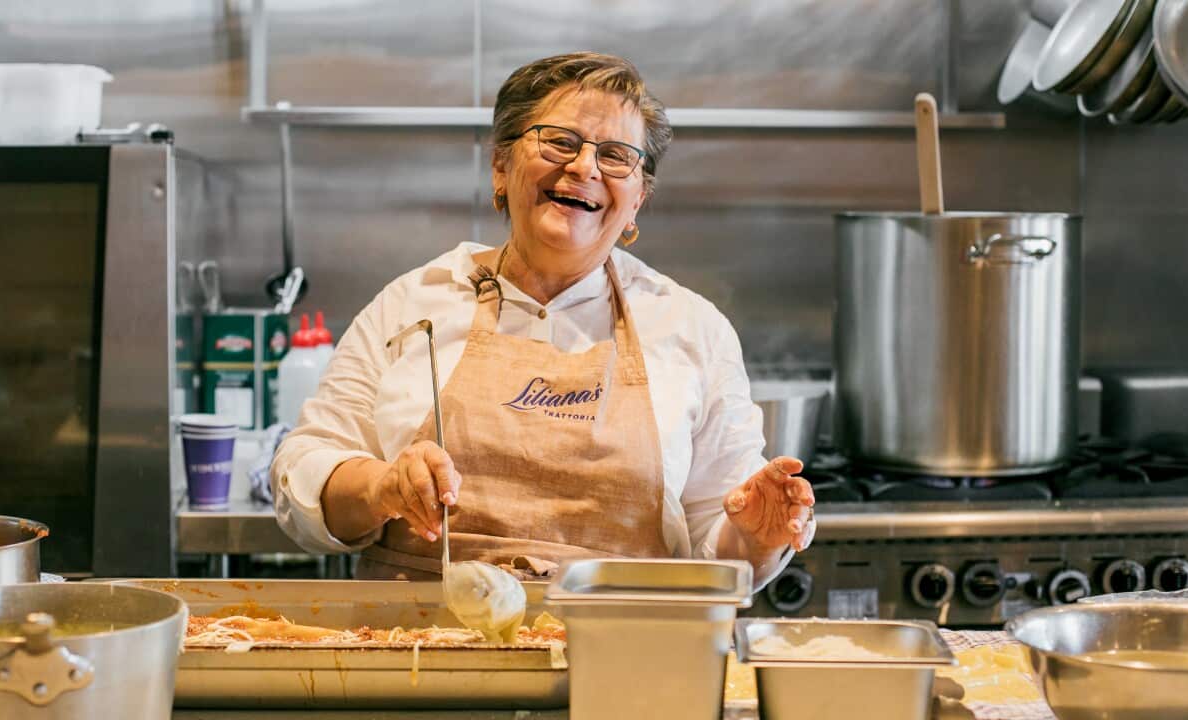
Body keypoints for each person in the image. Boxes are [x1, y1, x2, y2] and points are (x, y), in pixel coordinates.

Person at [271, 51, 815, 586]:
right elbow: (303, 474)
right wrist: (379, 488)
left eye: (617, 155)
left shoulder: (692, 328)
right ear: (501, 166)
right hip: (421, 650)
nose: (584, 168)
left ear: (638, 200)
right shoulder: (412, 304)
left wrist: (755, 537)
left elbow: (719, 543)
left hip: (621, 652)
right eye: (560, 142)